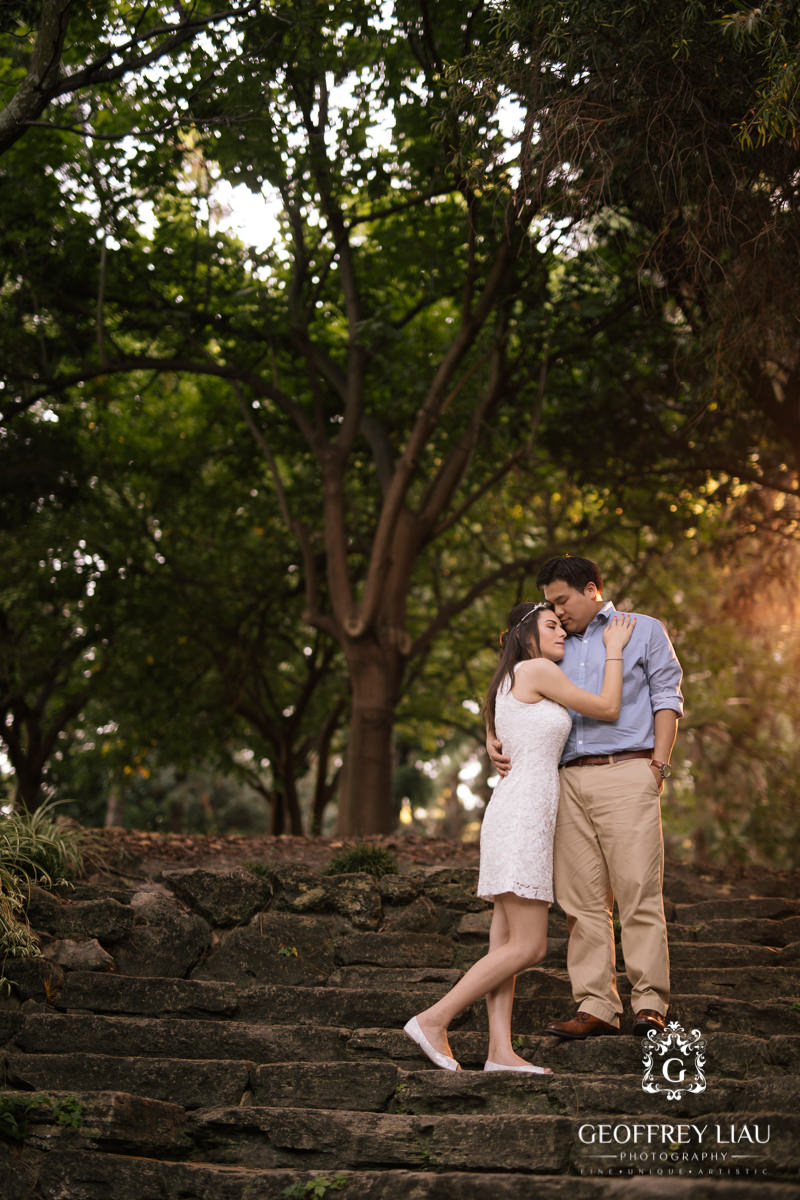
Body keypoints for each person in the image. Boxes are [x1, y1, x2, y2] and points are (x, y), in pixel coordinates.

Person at [404, 601, 635, 1073]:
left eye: (562, 627)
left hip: (515, 813)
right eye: (551, 626)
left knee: (504, 946)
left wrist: (491, 733)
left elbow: (506, 727)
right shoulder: (535, 670)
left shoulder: (512, 679)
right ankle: (433, 1019)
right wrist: (613, 648)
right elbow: (608, 708)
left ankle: (499, 1052)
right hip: (524, 817)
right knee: (529, 947)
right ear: (526, 636)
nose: (562, 635)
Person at [487, 555, 684, 1040]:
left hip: (627, 770)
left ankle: (649, 1003)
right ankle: (596, 1004)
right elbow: (512, 687)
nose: (557, 612)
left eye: (562, 600)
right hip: (563, 781)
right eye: (550, 605)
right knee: (581, 901)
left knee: (638, 890)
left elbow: (667, 696)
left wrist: (658, 764)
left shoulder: (641, 629)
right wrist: (492, 734)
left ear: (592, 589)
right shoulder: (549, 642)